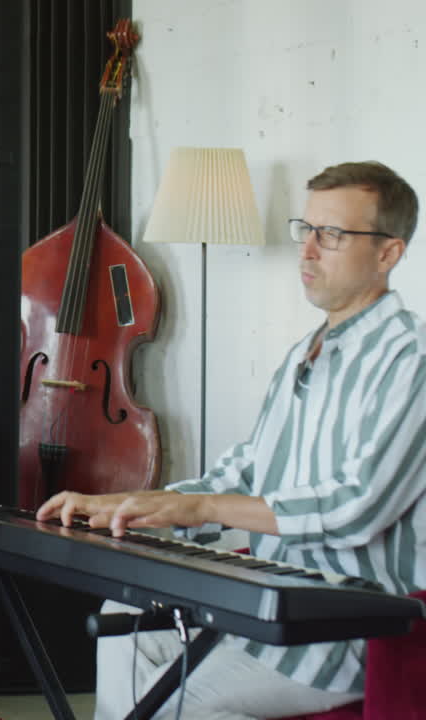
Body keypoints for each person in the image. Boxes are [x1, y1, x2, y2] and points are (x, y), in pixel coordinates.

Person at [37, 160, 426, 720]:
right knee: (122, 619)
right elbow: (248, 469)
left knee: (160, 707)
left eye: (332, 235)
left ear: (389, 252)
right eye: (306, 229)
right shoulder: (306, 352)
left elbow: (355, 509)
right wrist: (138, 505)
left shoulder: (409, 358)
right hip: (266, 609)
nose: (308, 250)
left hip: (343, 635)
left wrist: (199, 506)